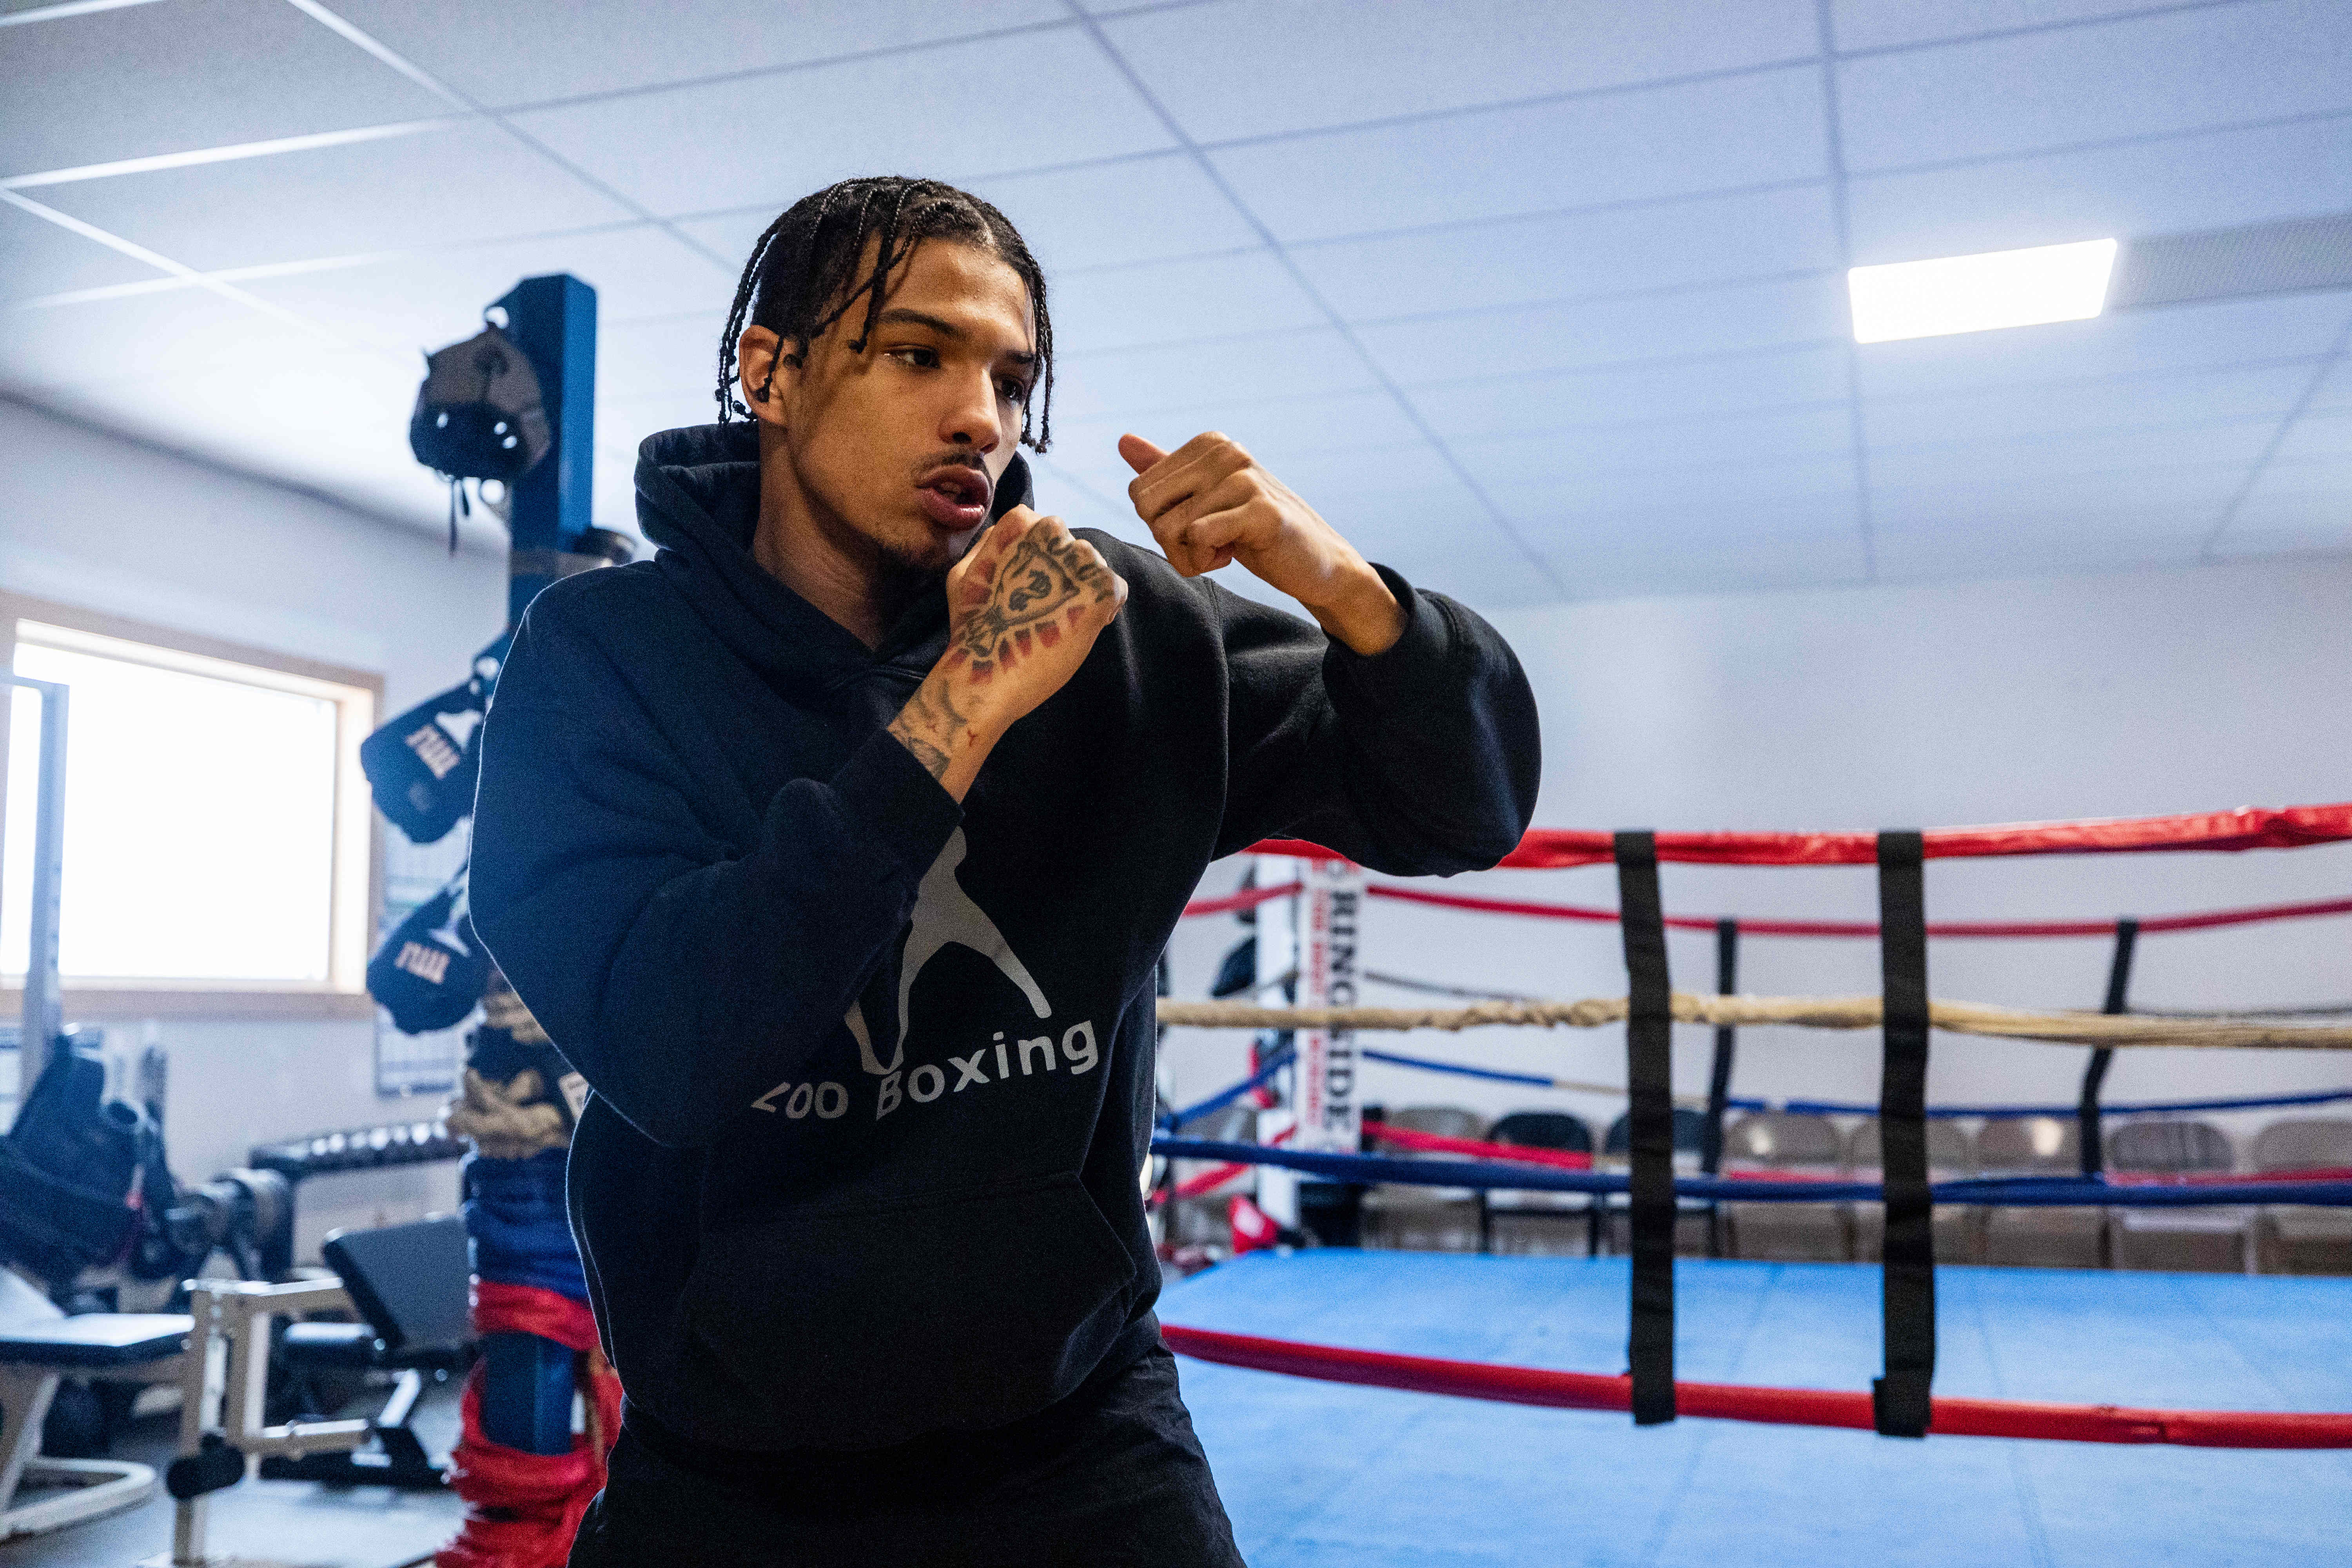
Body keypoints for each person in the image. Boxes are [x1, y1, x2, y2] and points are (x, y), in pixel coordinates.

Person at [469, 175, 1540, 1567]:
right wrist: (960, 710)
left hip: (1079, 1439)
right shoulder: (601, 662)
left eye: (1012, 376)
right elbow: (673, 1046)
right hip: (737, 1466)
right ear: (771, 370)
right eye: (919, 355)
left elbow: (1461, 809)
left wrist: (1340, 584)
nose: (983, 413)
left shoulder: (1122, 622)